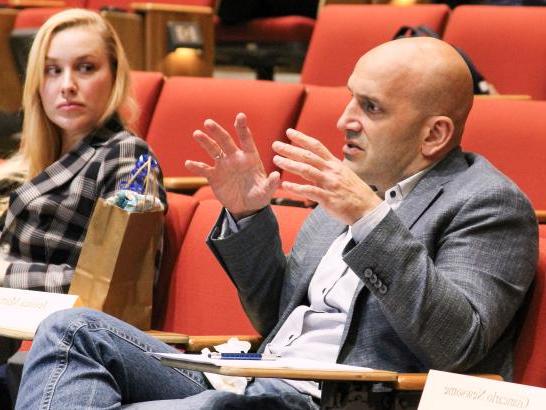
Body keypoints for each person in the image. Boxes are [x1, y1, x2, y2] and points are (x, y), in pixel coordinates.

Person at [15, 37, 537, 409]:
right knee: (69, 330)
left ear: (434, 134)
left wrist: (370, 219)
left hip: (335, 400)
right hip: (252, 379)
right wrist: (248, 215)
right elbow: (276, 317)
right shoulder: (357, 183)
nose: (344, 119)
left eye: (371, 107)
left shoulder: (487, 205)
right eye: (351, 96)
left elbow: (457, 344)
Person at [0, 9, 166, 362]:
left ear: (115, 76)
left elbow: (112, 287)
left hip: (63, 351)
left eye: (86, 68)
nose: (67, 85)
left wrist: (5, 274)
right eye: (52, 70)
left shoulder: (127, 157)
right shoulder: (33, 158)